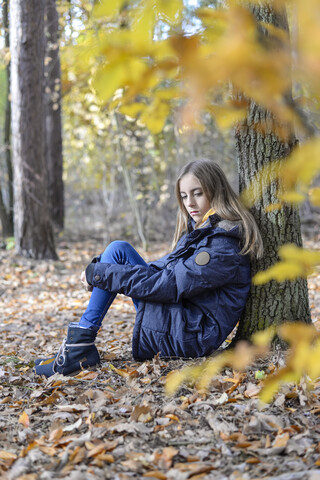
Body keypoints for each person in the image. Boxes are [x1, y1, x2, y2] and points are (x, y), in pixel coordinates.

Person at [34, 159, 263, 378]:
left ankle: (79, 346)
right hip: (181, 317)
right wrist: (101, 270)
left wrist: (101, 274)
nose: (190, 203)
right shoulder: (202, 232)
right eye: (184, 196)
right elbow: (162, 268)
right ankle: (79, 344)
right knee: (118, 251)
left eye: (198, 193)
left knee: (118, 253)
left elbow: (170, 285)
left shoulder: (222, 245)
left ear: (216, 190)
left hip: (190, 333)